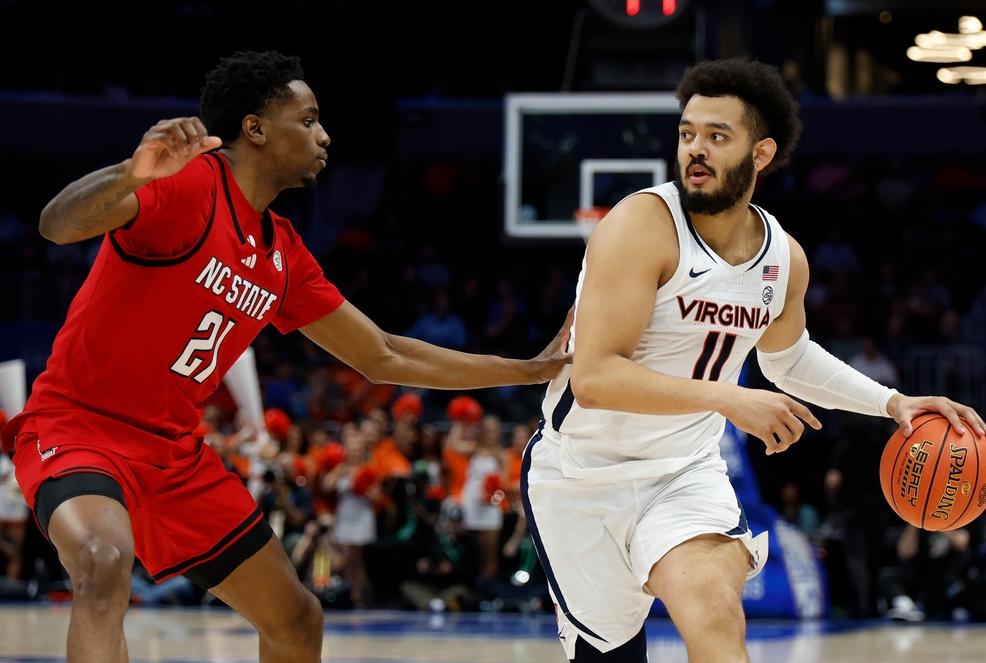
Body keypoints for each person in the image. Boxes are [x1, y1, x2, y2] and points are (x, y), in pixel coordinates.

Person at [0, 50, 572, 663]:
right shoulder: (189, 186)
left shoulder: (282, 253)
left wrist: (528, 370)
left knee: (297, 620)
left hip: (175, 457)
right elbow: (57, 225)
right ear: (255, 128)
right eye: (308, 119)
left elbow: (383, 355)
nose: (323, 135)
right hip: (79, 430)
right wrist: (130, 174)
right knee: (101, 562)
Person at [521, 56, 986, 663]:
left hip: (682, 472)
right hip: (581, 475)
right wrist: (727, 397)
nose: (695, 149)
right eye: (687, 133)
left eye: (717, 136)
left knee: (717, 615)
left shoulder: (783, 259)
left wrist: (892, 402)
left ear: (761, 153)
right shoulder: (640, 225)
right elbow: (593, 377)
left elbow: (788, 361)